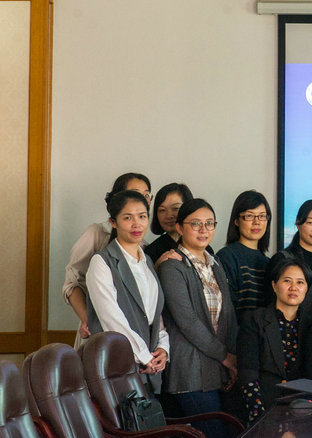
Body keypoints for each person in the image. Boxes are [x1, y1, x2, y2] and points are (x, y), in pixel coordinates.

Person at [158, 198, 238, 438]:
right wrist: (225, 357)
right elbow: (188, 322)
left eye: (209, 223)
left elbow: (228, 315)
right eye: (195, 223)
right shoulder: (173, 266)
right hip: (190, 371)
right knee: (215, 434)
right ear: (180, 228)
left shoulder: (215, 264)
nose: (204, 230)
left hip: (217, 366)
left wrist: (231, 359)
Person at [86, 190, 169, 392]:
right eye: (127, 218)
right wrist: (144, 355)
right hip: (116, 365)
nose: (136, 224)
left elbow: (155, 314)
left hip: (149, 367)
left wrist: (163, 348)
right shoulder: (101, 261)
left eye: (142, 216)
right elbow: (111, 318)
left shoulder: (147, 261)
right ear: (113, 222)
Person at [63, 172, 152, 347]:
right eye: (135, 193)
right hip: (98, 330)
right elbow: (72, 284)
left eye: (147, 194)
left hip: (138, 335)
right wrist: (88, 319)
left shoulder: (144, 246)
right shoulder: (96, 233)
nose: (143, 199)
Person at [238, 257, 312, 425]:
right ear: (274, 285)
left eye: (300, 282)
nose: (293, 287)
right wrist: (259, 416)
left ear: (307, 288)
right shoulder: (254, 320)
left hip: (301, 412)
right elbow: (247, 373)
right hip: (263, 407)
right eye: (287, 281)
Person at [265, 199, 312, 319]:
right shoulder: (281, 259)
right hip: (287, 328)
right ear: (298, 223)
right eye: (310, 222)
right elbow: (269, 303)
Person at [216, 190, 272, 319]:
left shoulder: (269, 262)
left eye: (262, 216)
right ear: (236, 220)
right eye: (250, 216)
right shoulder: (226, 257)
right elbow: (227, 307)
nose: (257, 222)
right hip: (237, 329)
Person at [145, 183, 195, 267]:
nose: (169, 215)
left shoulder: (202, 246)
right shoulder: (152, 252)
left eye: (175, 208)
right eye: (162, 210)